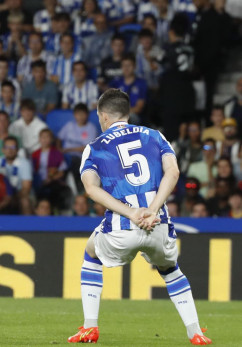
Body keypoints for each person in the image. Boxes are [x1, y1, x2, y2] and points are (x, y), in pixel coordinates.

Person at [69, 89, 211, 344]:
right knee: (171, 270)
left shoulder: (94, 147)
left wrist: (132, 213)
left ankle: (90, 326)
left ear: (102, 116)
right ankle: (196, 332)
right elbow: (174, 172)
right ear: (128, 113)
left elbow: (91, 189)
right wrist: (153, 209)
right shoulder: (155, 136)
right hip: (158, 224)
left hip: (122, 226)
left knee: (91, 254)